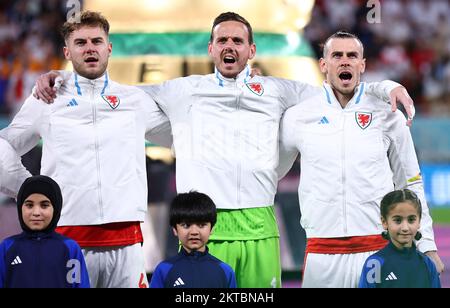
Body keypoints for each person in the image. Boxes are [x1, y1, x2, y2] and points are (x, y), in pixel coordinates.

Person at [32, 12, 416, 288]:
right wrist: (65, 79)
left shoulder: (280, 90)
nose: (229, 46)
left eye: (237, 41)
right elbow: (112, 95)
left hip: (260, 227)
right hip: (203, 226)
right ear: (211, 49)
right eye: (222, 40)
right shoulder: (182, 90)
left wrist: (386, 87)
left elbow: (338, 90)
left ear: (251, 50)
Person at [0, 11, 171, 288]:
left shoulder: (135, 100)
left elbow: (186, 136)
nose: (90, 48)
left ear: (109, 48)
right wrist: (32, 190)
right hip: (69, 242)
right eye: (80, 43)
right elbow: (5, 144)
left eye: (97, 41)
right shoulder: (47, 99)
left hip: (127, 245)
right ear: (67, 52)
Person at [278, 31, 444, 288]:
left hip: (377, 251)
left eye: (352, 55)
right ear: (323, 65)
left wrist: (428, 244)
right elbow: (270, 173)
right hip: (322, 253)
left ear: (362, 65)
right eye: (337, 55)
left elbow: (410, 182)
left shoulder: (388, 114)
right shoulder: (298, 116)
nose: (345, 61)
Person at [0, 175, 90, 288]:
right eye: (29, 205)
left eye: (44, 205)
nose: (36, 212)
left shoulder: (70, 248)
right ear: (20, 208)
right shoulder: (6, 248)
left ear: (56, 209)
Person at [150, 191, 236, 288]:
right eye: (186, 225)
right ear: (175, 229)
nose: (194, 232)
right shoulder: (164, 270)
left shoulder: (225, 271)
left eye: (201, 225)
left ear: (211, 228)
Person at [358, 189, 441, 288]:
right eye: (398, 220)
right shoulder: (374, 265)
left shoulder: (427, 264)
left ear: (419, 222)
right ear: (384, 222)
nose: (405, 228)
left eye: (411, 220)